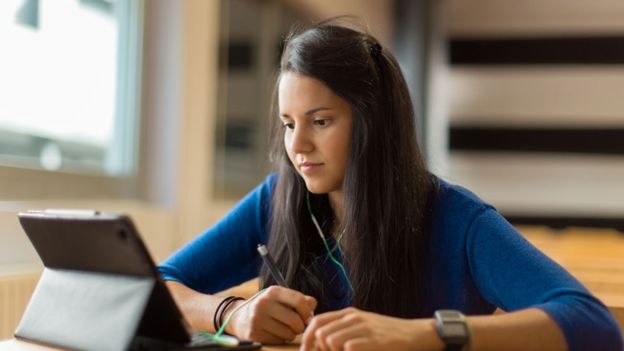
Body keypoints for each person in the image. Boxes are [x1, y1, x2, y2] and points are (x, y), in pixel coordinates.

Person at [158, 18, 622, 351]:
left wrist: (424, 334)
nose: (297, 144)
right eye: (287, 123)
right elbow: (154, 283)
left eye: (319, 121)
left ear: (372, 123)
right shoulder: (275, 198)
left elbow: (594, 325)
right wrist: (229, 314)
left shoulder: (457, 220)